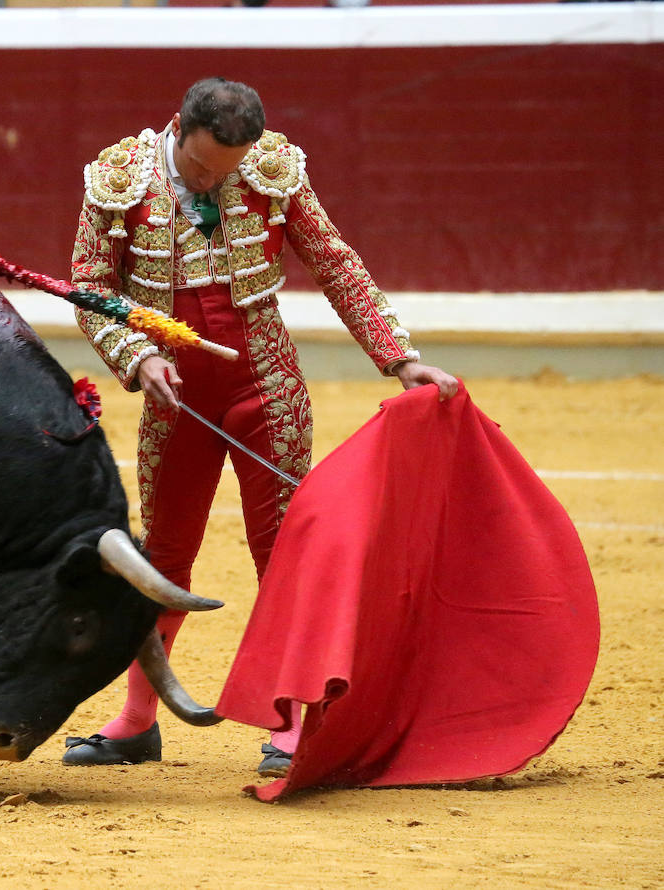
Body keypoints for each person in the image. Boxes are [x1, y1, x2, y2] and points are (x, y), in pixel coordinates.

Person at [62, 77, 458, 776]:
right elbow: (90, 287)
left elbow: (335, 263)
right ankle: (137, 720)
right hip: (176, 396)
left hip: (265, 386)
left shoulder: (271, 169)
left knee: (283, 550)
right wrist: (138, 354)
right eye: (201, 166)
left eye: (229, 168)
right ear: (179, 129)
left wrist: (400, 358)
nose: (213, 180)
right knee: (163, 554)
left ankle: (293, 720)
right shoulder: (120, 177)